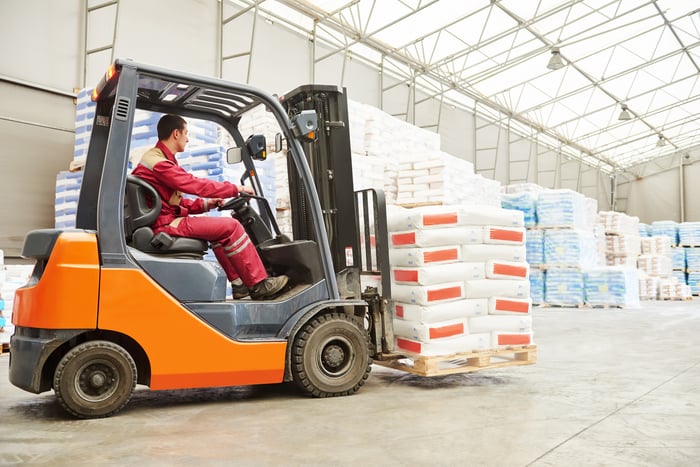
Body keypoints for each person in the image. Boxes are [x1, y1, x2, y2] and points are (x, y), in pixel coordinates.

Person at [131, 114, 288, 300]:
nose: (187, 138)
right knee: (232, 227)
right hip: (164, 225)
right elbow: (194, 185)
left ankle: (239, 286)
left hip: (165, 219)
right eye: (186, 133)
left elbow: (174, 202)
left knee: (220, 234)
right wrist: (233, 189)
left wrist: (207, 204)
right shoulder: (160, 163)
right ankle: (259, 284)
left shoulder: (160, 159)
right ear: (176, 133)